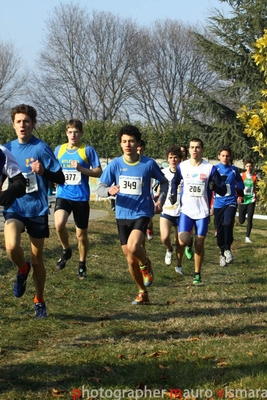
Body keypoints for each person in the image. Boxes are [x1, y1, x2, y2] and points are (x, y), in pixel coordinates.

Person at [4, 104, 65, 318]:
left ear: (33, 124)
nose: (23, 125)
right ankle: (22, 268)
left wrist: (44, 170)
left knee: (38, 259)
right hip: (15, 208)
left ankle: (39, 299)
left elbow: (61, 178)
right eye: (19, 121)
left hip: (37, 209)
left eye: (26, 121)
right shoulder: (6, 150)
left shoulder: (41, 148)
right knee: (11, 247)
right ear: (13, 125)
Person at [97, 124, 168, 305]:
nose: (127, 144)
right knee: (130, 260)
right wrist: (110, 191)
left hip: (142, 212)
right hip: (122, 214)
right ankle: (142, 292)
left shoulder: (148, 164)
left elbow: (164, 182)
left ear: (137, 143)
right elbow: (101, 188)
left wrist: (160, 201)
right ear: (120, 144)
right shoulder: (115, 165)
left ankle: (146, 264)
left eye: (131, 141)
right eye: (124, 141)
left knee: (134, 246)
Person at [170, 138, 227, 285]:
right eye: (192, 147)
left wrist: (215, 186)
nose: (194, 150)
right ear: (188, 150)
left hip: (202, 212)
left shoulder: (210, 168)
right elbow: (174, 181)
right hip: (186, 211)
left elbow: (222, 188)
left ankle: (197, 274)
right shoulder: (183, 166)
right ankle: (188, 244)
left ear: (202, 150)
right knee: (183, 240)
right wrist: (173, 194)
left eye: (197, 147)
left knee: (200, 244)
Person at [54, 119, 102, 278]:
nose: (73, 135)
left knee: (81, 236)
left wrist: (81, 168)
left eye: (76, 132)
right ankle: (66, 249)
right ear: (66, 133)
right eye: (70, 132)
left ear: (81, 133)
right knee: (59, 224)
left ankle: (82, 263)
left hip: (81, 198)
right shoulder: (59, 150)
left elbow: (98, 172)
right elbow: (53, 169)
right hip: (63, 195)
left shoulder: (87, 150)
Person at [213, 146, 244, 266]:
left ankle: (227, 249)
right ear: (219, 156)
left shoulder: (234, 170)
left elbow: (240, 182)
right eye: (223, 155)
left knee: (228, 223)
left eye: (227, 156)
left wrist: (240, 195)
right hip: (218, 203)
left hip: (231, 201)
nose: (225, 158)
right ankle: (222, 253)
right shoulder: (214, 169)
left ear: (230, 157)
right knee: (220, 229)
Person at [159, 146, 183, 273]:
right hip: (166, 210)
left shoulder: (185, 172)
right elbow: (157, 188)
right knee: (164, 237)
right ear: (167, 159)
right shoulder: (163, 173)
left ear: (180, 159)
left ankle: (179, 265)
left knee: (180, 241)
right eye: (170, 157)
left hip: (182, 211)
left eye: (175, 157)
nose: (173, 160)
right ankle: (169, 249)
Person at [137, 139, 154, 241]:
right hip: (136, 198)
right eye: (137, 150)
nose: (139, 152)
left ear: (144, 150)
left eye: (141, 150)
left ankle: (150, 229)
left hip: (148, 195)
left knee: (149, 223)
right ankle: (142, 249)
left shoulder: (148, 163)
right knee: (140, 228)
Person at [238, 160, 258, 243]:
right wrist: (239, 197)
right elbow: (238, 187)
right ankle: (243, 214)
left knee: (250, 219)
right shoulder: (241, 175)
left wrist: (256, 194)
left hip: (251, 200)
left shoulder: (255, 176)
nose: (249, 167)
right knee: (241, 221)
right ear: (245, 167)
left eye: (250, 166)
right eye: (247, 166)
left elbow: (257, 187)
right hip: (243, 200)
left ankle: (247, 237)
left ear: (252, 167)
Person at [179, 144, 194, 261]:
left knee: (187, 227)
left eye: (183, 151)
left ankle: (188, 243)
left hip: (189, 200)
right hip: (175, 200)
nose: (182, 153)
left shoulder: (190, 165)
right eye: (180, 151)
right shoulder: (176, 165)